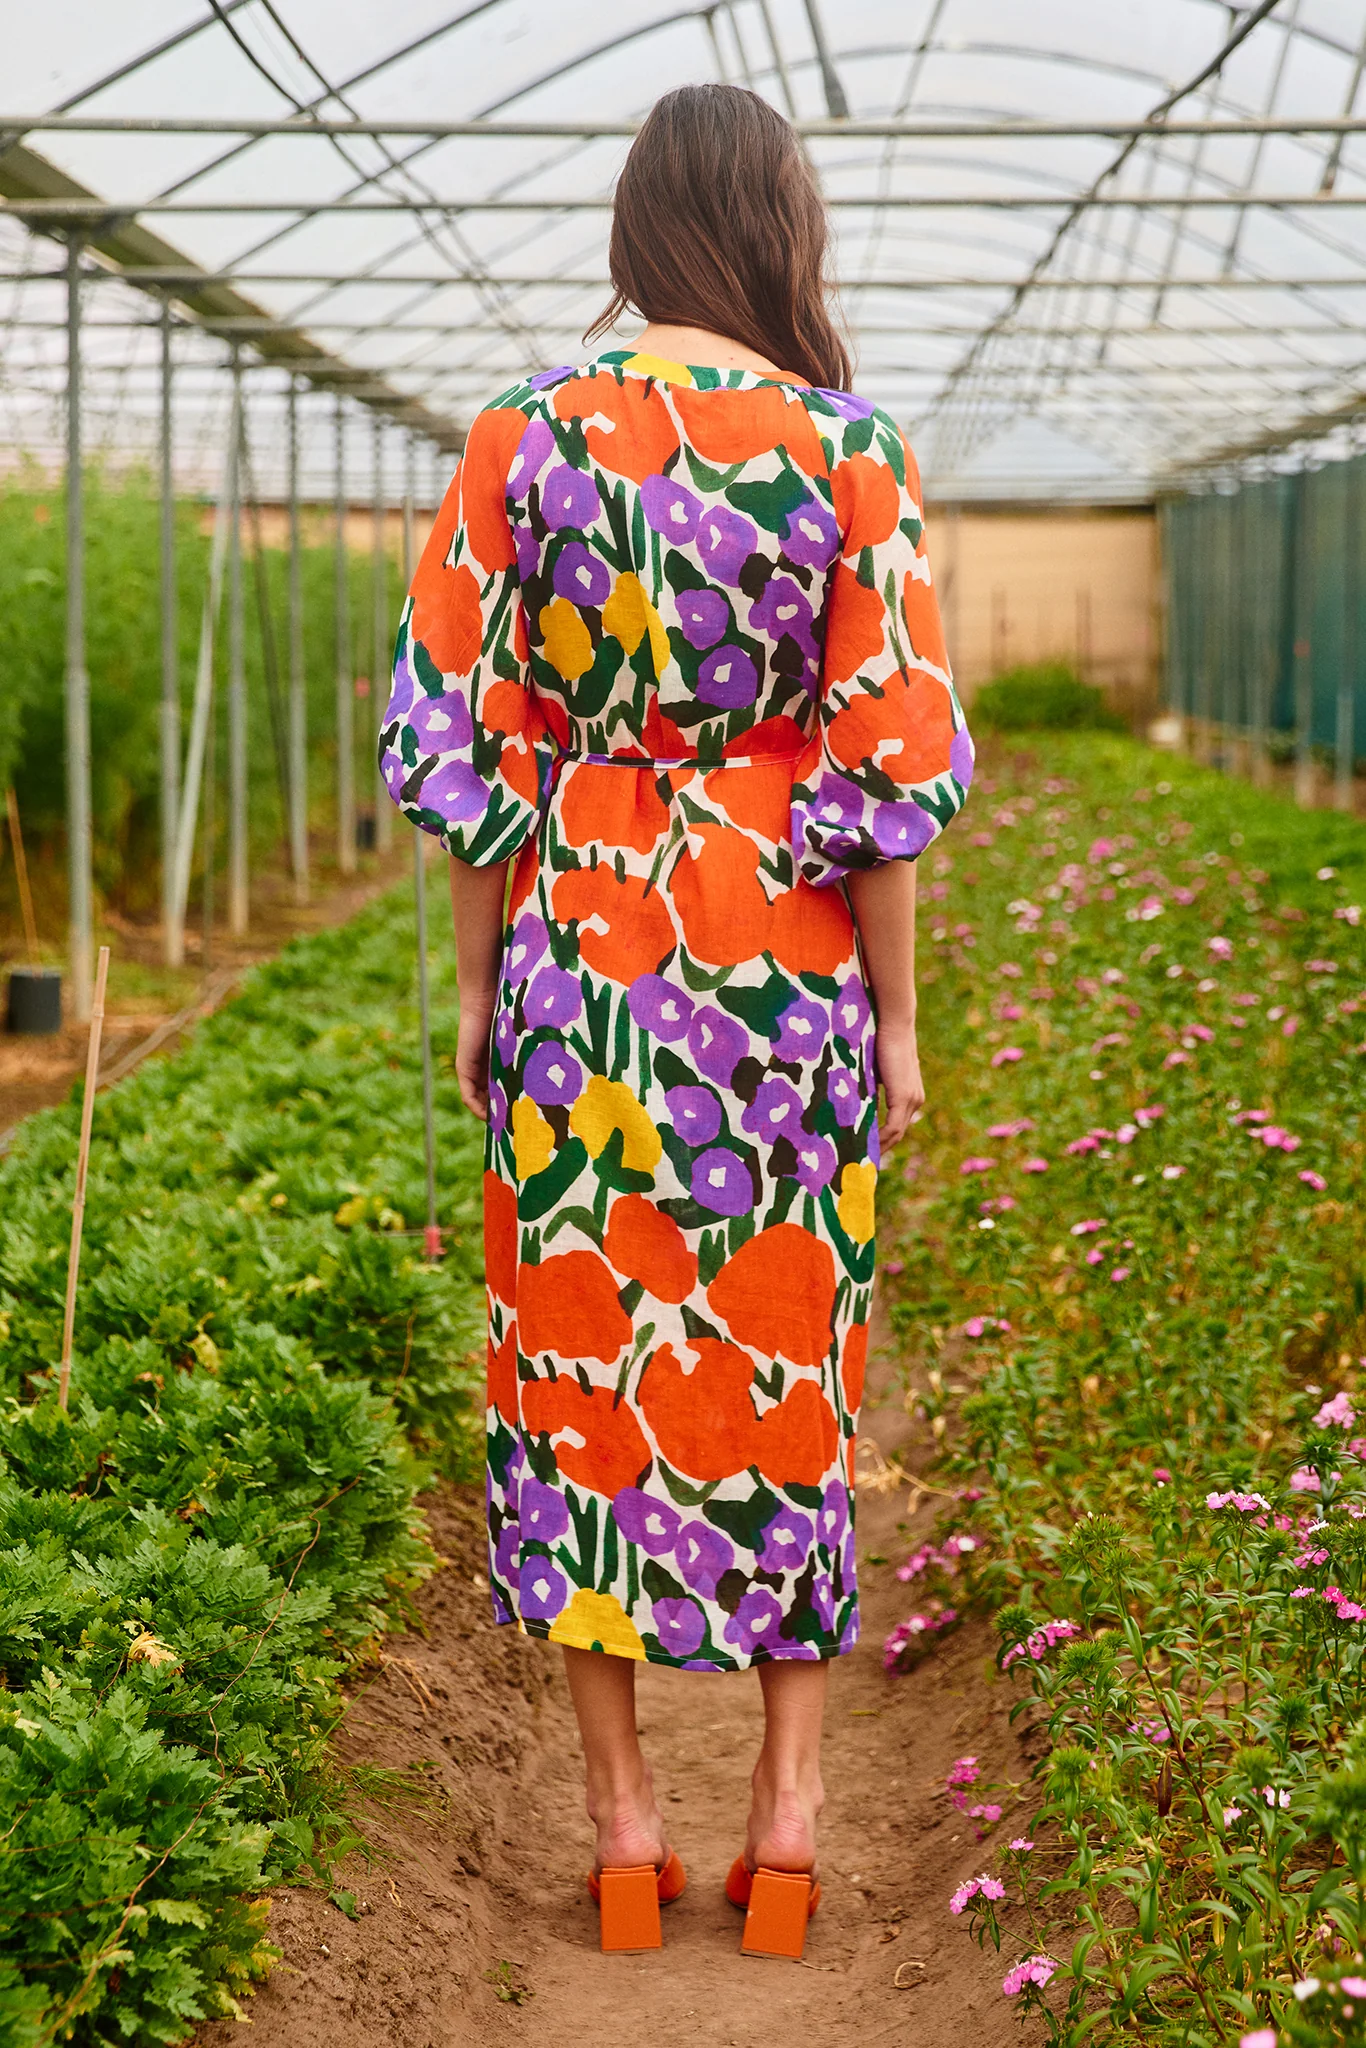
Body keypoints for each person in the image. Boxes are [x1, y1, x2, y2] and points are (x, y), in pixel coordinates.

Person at [379, 80, 972, 1957]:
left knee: (577, 1384)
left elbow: (469, 752)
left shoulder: (517, 439)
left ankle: (623, 1830)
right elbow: (883, 768)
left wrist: (483, 990)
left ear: (638, 227)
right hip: (778, 958)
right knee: (788, 1375)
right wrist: (892, 1018)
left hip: (582, 950)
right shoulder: (844, 446)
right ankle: (783, 1834)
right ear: (779, 225)